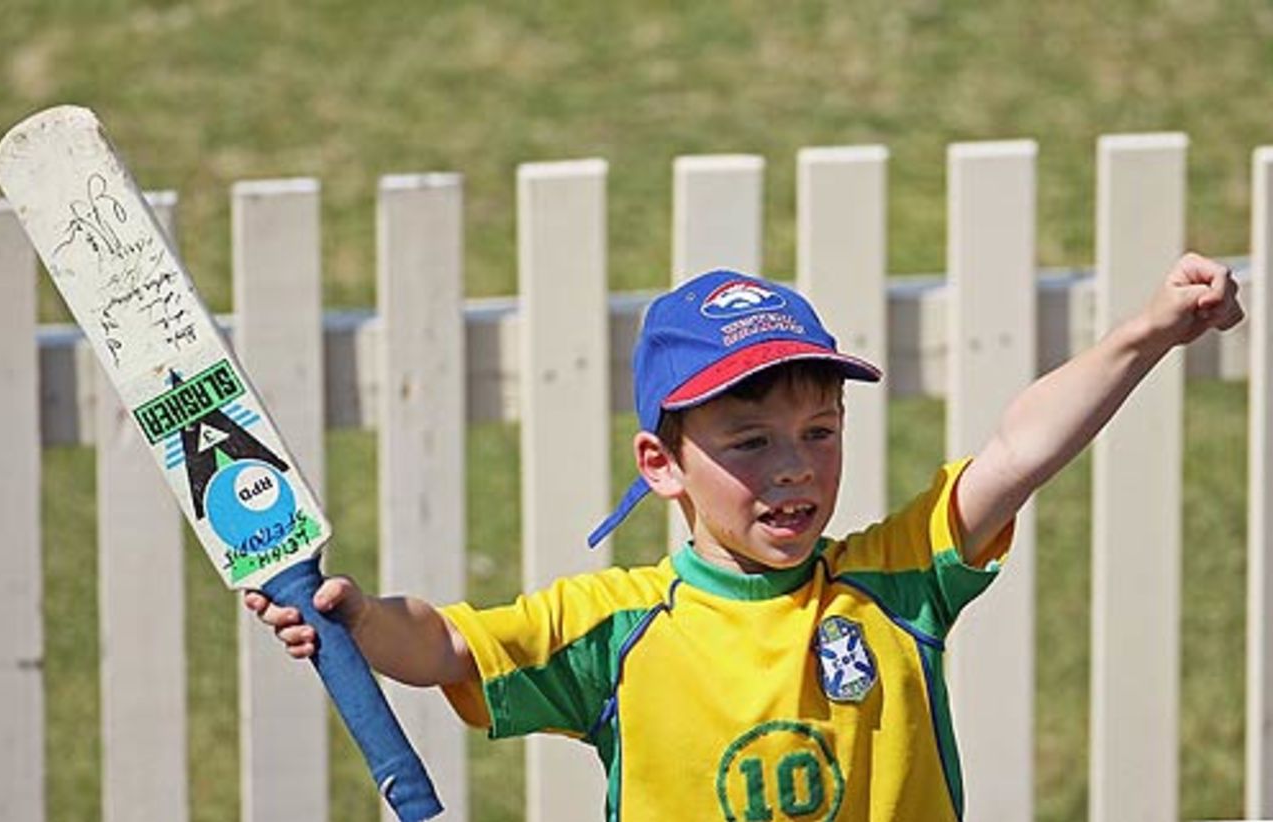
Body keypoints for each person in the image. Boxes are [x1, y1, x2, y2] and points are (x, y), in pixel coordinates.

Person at [245, 253, 1242, 821]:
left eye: (817, 433)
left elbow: (1018, 449)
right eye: (748, 442)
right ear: (660, 465)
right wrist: (360, 619)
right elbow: (451, 646)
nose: (793, 469)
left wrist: (1141, 335)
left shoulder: (894, 584)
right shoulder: (615, 627)